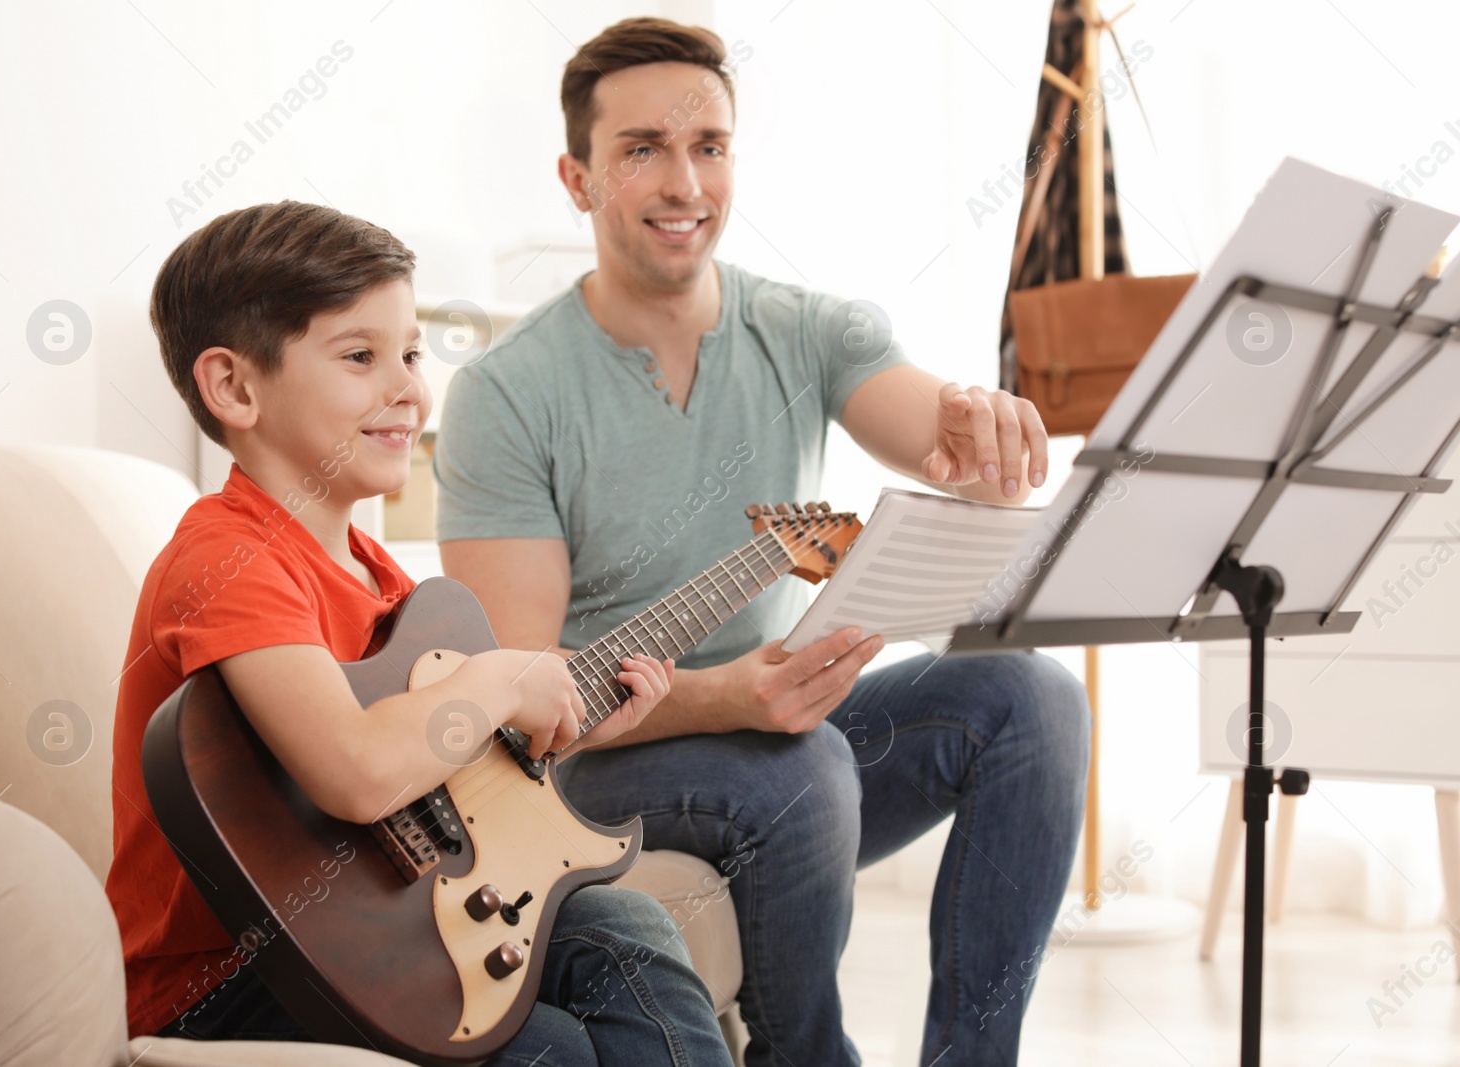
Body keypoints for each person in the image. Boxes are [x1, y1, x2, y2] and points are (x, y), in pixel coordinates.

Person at [434, 18, 1092, 1067]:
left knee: (1031, 698)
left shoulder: (806, 329)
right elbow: (527, 706)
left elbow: (933, 428)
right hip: (602, 764)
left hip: (782, 727)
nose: (682, 180)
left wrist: (980, 425)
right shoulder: (504, 394)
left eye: (710, 146)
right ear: (577, 177)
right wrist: (719, 698)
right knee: (802, 763)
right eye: (641, 148)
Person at [104, 200, 735, 1067]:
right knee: (550, 1050)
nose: (411, 389)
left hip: (377, 927)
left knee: (623, 922)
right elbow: (358, 770)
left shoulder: (390, 586)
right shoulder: (226, 558)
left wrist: (562, 725)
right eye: (361, 357)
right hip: (227, 978)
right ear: (235, 387)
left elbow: (439, 778)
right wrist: (506, 678)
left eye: (410, 352)